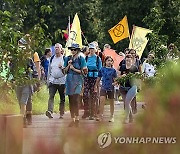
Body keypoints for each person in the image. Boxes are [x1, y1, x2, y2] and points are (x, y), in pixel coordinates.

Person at [12, 38, 38, 127]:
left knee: (24, 102)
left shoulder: (29, 59)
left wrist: (36, 82)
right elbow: (11, 71)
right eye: (19, 45)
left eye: (22, 45)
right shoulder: (14, 59)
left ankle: (22, 120)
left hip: (27, 83)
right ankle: (27, 116)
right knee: (21, 102)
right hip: (18, 83)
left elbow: (35, 71)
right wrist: (12, 80)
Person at [64, 43, 87, 127]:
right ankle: (72, 119)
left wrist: (74, 69)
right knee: (70, 100)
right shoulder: (67, 58)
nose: (73, 51)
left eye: (74, 49)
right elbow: (64, 71)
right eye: (71, 49)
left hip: (78, 80)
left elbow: (84, 72)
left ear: (77, 50)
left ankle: (77, 119)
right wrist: (68, 66)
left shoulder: (81, 58)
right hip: (69, 80)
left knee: (76, 99)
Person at [45, 43, 66, 119]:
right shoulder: (52, 58)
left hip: (62, 81)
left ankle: (61, 113)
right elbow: (49, 70)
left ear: (61, 49)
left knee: (62, 98)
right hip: (53, 80)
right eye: (55, 48)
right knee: (51, 96)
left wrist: (62, 68)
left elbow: (66, 70)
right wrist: (48, 80)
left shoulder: (64, 59)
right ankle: (50, 111)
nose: (56, 49)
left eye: (58, 48)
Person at [82, 42, 102, 120]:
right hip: (87, 77)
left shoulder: (97, 58)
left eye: (93, 49)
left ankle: (93, 113)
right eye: (90, 49)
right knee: (85, 94)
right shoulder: (86, 58)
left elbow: (100, 70)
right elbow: (83, 67)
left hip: (95, 78)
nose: (91, 50)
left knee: (94, 95)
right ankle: (86, 111)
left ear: (95, 49)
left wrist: (98, 81)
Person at [94, 56, 117, 122]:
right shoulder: (102, 69)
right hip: (103, 87)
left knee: (111, 102)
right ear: (105, 62)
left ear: (112, 62)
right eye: (108, 60)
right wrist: (96, 86)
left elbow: (115, 80)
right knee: (102, 101)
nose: (109, 62)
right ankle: (100, 115)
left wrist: (115, 83)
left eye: (110, 61)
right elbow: (98, 78)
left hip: (111, 88)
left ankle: (112, 116)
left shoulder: (113, 70)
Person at [119, 54, 139, 124]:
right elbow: (118, 76)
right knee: (126, 103)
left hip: (132, 87)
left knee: (127, 102)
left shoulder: (135, 68)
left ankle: (126, 118)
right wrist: (122, 76)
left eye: (129, 60)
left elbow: (138, 78)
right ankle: (131, 117)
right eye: (127, 60)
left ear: (132, 60)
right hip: (123, 87)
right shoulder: (122, 67)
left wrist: (133, 77)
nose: (128, 62)